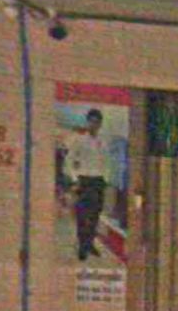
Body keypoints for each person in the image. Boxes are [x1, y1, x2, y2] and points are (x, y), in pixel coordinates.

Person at [65, 109, 108, 261]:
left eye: (97, 122)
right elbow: (69, 160)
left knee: (95, 215)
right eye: (91, 121)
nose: (94, 125)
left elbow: (106, 162)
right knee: (82, 215)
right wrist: (75, 179)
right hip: (84, 180)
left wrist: (105, 179)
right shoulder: (79, 140)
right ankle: (82, 246)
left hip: (98, 181)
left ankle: (90, 243)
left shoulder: (103, 141)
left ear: (100, 124)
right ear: (87, 122)